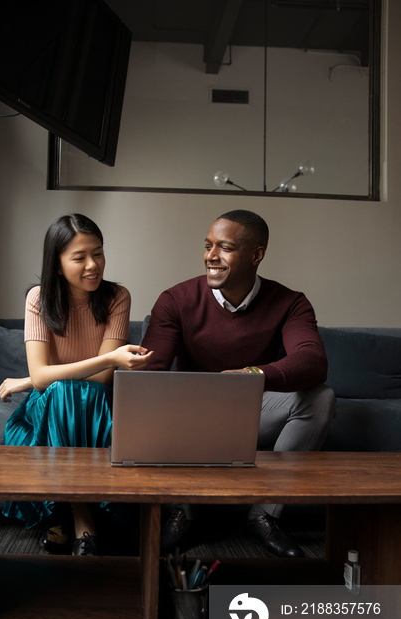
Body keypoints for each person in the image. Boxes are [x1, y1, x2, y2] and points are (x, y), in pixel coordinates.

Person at [141, 209, 336, 558]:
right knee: (146, 397)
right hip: (192, 417)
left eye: (225, 247)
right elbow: (150, 371)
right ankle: (181, 514)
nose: (210, 257)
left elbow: (312, 361)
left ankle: (263, 515)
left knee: (320, 399)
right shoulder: (176, 300)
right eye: (207, 245)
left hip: (254, 411)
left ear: (256, 255)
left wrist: (251, 376)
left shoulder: (290, 302)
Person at [0, 213, 152, 555]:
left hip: (97, 405)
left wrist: (32, 380)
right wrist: (111, 359)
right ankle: (83, 520)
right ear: (57, 264)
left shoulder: (117, 297)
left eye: (97, 253)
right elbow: (43, 378)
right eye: (79, 257)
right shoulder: (38, 300)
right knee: (62, 391)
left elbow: (100, 380)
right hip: (49, 407)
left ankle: (65, 517)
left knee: (71, 390)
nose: (92, 265)